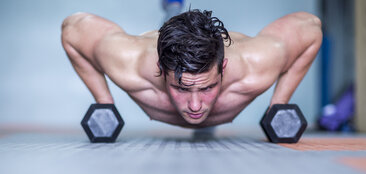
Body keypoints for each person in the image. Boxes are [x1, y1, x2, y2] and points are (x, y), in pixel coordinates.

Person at [61, 9, 322, 130]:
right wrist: (103, 101)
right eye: (182, 88)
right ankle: (172, 11)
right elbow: (72, 28)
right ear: (160, 70)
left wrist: (279, 103)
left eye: (208, 87)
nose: (195, 105)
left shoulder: (258, 64)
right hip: (154, 45)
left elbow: (310, 27)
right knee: (171, 18)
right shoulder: (127, 61)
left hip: (233, 47)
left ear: (223, 68)